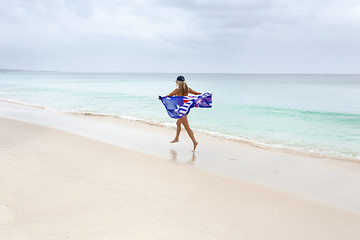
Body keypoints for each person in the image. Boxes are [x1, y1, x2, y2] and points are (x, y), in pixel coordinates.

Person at [159, 75, 201, 151]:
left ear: (178, 82)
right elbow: (197, 94)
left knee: (187, 127)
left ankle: (195, 142)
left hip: (181, 111)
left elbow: (169, 96)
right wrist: (206, 95)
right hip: (186, 109)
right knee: (178, 124)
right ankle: (176, 138)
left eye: (176, 81)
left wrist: (161, 98)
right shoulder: (188, 89)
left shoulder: (177, 90)